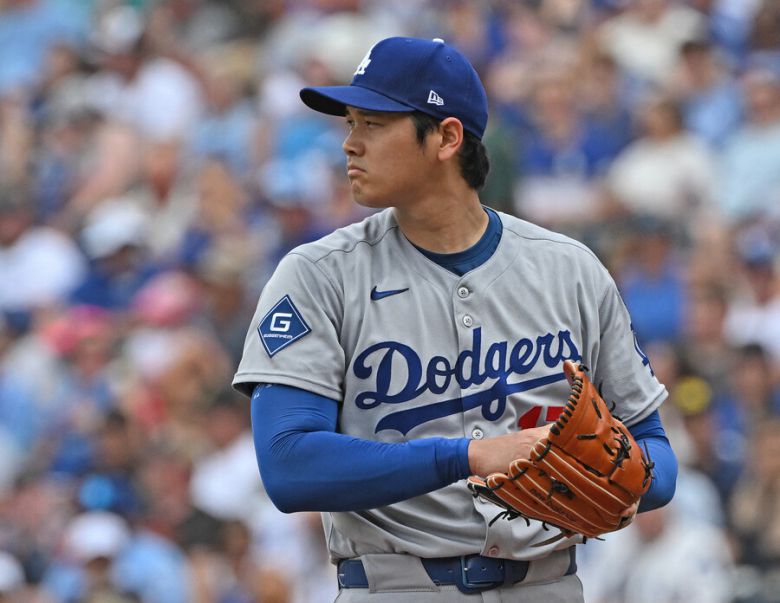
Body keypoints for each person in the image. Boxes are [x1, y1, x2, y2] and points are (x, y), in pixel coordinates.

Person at [233, 36, 678, 602]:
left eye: (373, 124)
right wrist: (469, 456)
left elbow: (656, 453)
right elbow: (289, 466)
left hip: (546, 584)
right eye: (350, 123)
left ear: (447, 137)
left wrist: (612, 473)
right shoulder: (319, 275)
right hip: (395, 587)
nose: (349, 143)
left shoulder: (570, 270)